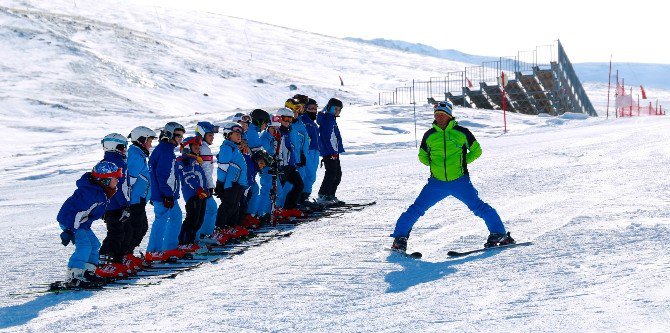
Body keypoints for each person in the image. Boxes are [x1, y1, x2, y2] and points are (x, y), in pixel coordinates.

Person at [390, 101, 515, 253]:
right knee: (416, 209)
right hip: (436, 183)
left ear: (449, 116)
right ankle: (399, 239)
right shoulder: (429, 135)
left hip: (460, 181)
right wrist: (432, 164)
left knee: (479, 207)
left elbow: (477, 151)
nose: (440, 118)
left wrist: (463, 162)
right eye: (437, 115)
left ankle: (499, 235)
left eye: (443, 115)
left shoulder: (462, 132)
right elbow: (422, 156)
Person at [57, 161, 121, 288]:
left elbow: (91, 211)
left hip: (81, 223)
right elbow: (76, 213)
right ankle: (74, 275)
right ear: (105, 180)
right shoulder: (91, 194)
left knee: (94, 244)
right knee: (85, 246)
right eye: (115, 178)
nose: (117, 181)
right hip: (70, 221)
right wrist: (69, 231)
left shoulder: (100, 192)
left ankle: (87, 273)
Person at [146, 122, 186, 262]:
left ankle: (169, 247)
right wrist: (167, 194)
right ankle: (153, 251)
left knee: (176, 216)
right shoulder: (165, 151)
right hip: (164, 195)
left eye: (182, 136)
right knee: (161, 219)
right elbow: (163, 175)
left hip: (167, 194)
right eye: (178, 136)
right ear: (170, 134)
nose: (181, 139)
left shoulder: (166, 149)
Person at [97, 133, 132, 278]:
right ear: (114, 147)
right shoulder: (116, 165)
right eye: (122, 147)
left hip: (114, 205)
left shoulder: (107, 163)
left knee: (123, 232)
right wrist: (124, 205)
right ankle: (105, 263)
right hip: (115, 206)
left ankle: (116, 261)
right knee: (115, 233)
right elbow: (120, 188)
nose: (125, 151)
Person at [123, 126, 157, 271]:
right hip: (134, 200)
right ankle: (125, 256)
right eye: (149, 141)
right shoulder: (135, 156)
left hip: (140, 199)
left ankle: (127, 255)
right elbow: (129, 181)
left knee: (141, 227)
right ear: (141, 140)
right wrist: (127, 201)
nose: (150, 144)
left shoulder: (139, 154)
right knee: (136, 228)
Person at [214, 122, 248, 244]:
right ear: (228, 134)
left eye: (240, 134)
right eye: (236, 133)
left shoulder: (234, 148)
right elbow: (223, 167)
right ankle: (219, 229)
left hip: (238, 181)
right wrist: (220, 183)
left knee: (234, 206)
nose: (239, 136)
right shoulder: (227, 148)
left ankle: (229, 227)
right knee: (227, 205)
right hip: (230, 182)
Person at [176, 136, 209, 252]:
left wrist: (206, 190)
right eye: (195, 147)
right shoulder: (186, 161)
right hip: (192, 194)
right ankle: (184, 242)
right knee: (192, 218)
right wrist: (198, 189)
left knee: (199, 219)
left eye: (198, 148)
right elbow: (188, 177)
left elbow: (201, 177)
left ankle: (191, 240)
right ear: (187, 148)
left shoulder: (195, 160)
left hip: (201, 194)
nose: (198, 150)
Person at [275, 107, 305, 219]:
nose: (288, 122)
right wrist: (280, 164)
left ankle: (289, 208)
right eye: (286, 119)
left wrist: (297, 158)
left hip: (290, 165)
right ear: (279, 118)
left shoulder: (289, 131)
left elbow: (292, 147)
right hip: (281, 165)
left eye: (290, 119)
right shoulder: (276, 132)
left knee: (299, 184)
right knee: (279, 190)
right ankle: (277, 210)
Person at [194, 121, 220, 242]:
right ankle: (204, 235)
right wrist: (210, 186)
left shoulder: (202, 147)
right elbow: (206, 170)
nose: (212, 137)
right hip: (203, 186)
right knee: (210, 209)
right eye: (210, 135)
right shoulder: (204, 149)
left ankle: (202, 235)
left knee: (205, 210)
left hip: (201, 185)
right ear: (202, 134)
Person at [316, 98, 345, 206]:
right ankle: (323, 195)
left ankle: (330, 195)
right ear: (329, 108)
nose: (337, 111)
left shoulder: (331, 118)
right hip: (329, 151)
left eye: (339, 109)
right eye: (335, 109)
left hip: (333, 151)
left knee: (337, 174)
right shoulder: (328, 119)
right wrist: (332, 151)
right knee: (332, 173)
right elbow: (327, 137)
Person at [285, 97, 311, 208]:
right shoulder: (288, 125)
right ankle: (285, 205)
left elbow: (302, 142)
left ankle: (296, 202)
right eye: (294, 112)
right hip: (292, 160)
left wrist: (302, 154)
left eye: (297, 111)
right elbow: (290, 144)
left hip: (301, 157)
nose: (296, 113)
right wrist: (297, 157)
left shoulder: (299, 122)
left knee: (301, 180)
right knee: (291, 184)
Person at [257, 115, 282, 225]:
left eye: (276, 129)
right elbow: (267, 152)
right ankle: (261, 213)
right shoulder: (265, 138)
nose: (275, 131)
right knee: (266, 188)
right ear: (267, 127)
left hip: (272, 166)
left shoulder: (272, 138)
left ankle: (268, 211)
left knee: (272, 189)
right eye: (272, 128)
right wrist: (273, 159)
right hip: (266, 166)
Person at [299, 98, 321, 206]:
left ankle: (305, 197)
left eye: (315, 108)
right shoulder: (303, 120)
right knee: (307, 174)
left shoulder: (313, 122)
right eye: (310, 108)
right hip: (307, 151)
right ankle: (301, 198)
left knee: (312, 176)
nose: (313, 111)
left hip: (315, 150)